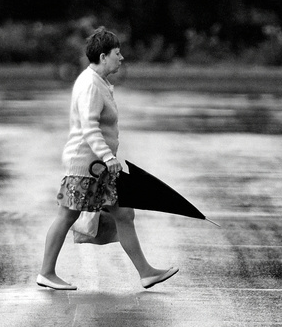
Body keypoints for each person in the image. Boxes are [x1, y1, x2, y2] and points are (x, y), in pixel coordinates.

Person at [37, 27, 179, 291]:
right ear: (103, 56)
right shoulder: (91, 85)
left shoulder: (97, 82)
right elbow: (90, 127)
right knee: (67, 216)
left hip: (97, 167)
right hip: (85, 166)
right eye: (117, 53)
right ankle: (46, 272)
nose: (121, 58)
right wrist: (107, 156)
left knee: (123, 213)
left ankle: (146, 272)